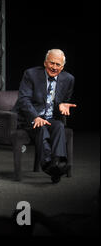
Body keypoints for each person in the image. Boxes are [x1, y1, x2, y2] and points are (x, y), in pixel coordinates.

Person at [13, 49, 76, 183]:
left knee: (59, 125)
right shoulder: (31, 74)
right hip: (29, 119)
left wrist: (61, 105)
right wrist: (35, 117)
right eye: (51, 63)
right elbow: (24, 100)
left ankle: (57, 163)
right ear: (45, 63)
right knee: (41, 128)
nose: (54, 67)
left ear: (62, 67)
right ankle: (48, 165)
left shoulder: (69, 79)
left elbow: (63, 102)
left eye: (58, 65)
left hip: (51, 119)